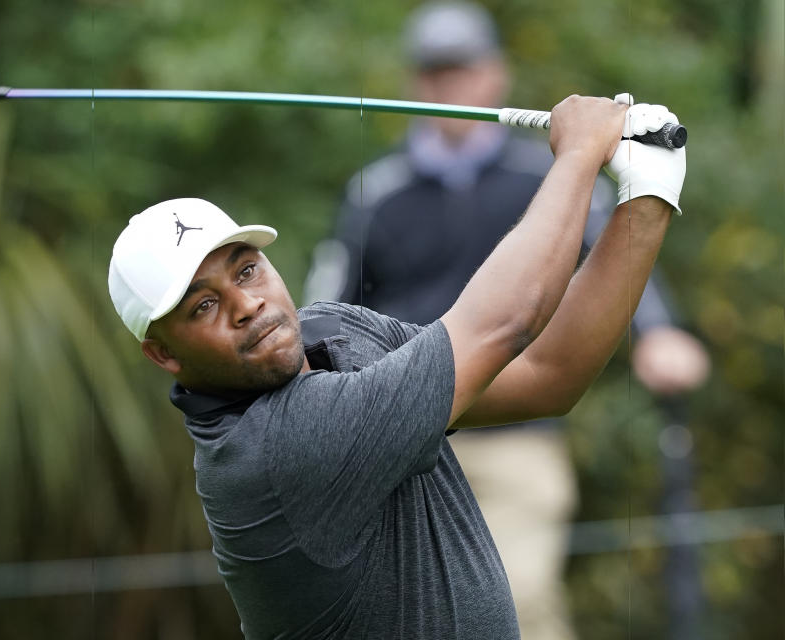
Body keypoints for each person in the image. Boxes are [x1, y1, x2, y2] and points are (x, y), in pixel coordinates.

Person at [107, 96, 685, 639]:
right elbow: (502, 324)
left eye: (246, 270)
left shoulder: (336, 330)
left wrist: (648, 198)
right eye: (204, 305)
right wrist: (580, 152)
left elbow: (544, 375)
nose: (246, 305)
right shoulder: (271, 451)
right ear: (165, 354)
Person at [303, 4, 710, 638]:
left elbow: (619, 255)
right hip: (406, 443)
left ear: (495, 76)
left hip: (521, 427)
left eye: (462, 70)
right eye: (434, 73)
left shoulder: (550, 172)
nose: (449, 87)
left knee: (520, 600)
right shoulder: (374, 191)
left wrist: (657, 332)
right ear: (417, 84)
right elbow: (325, 308)